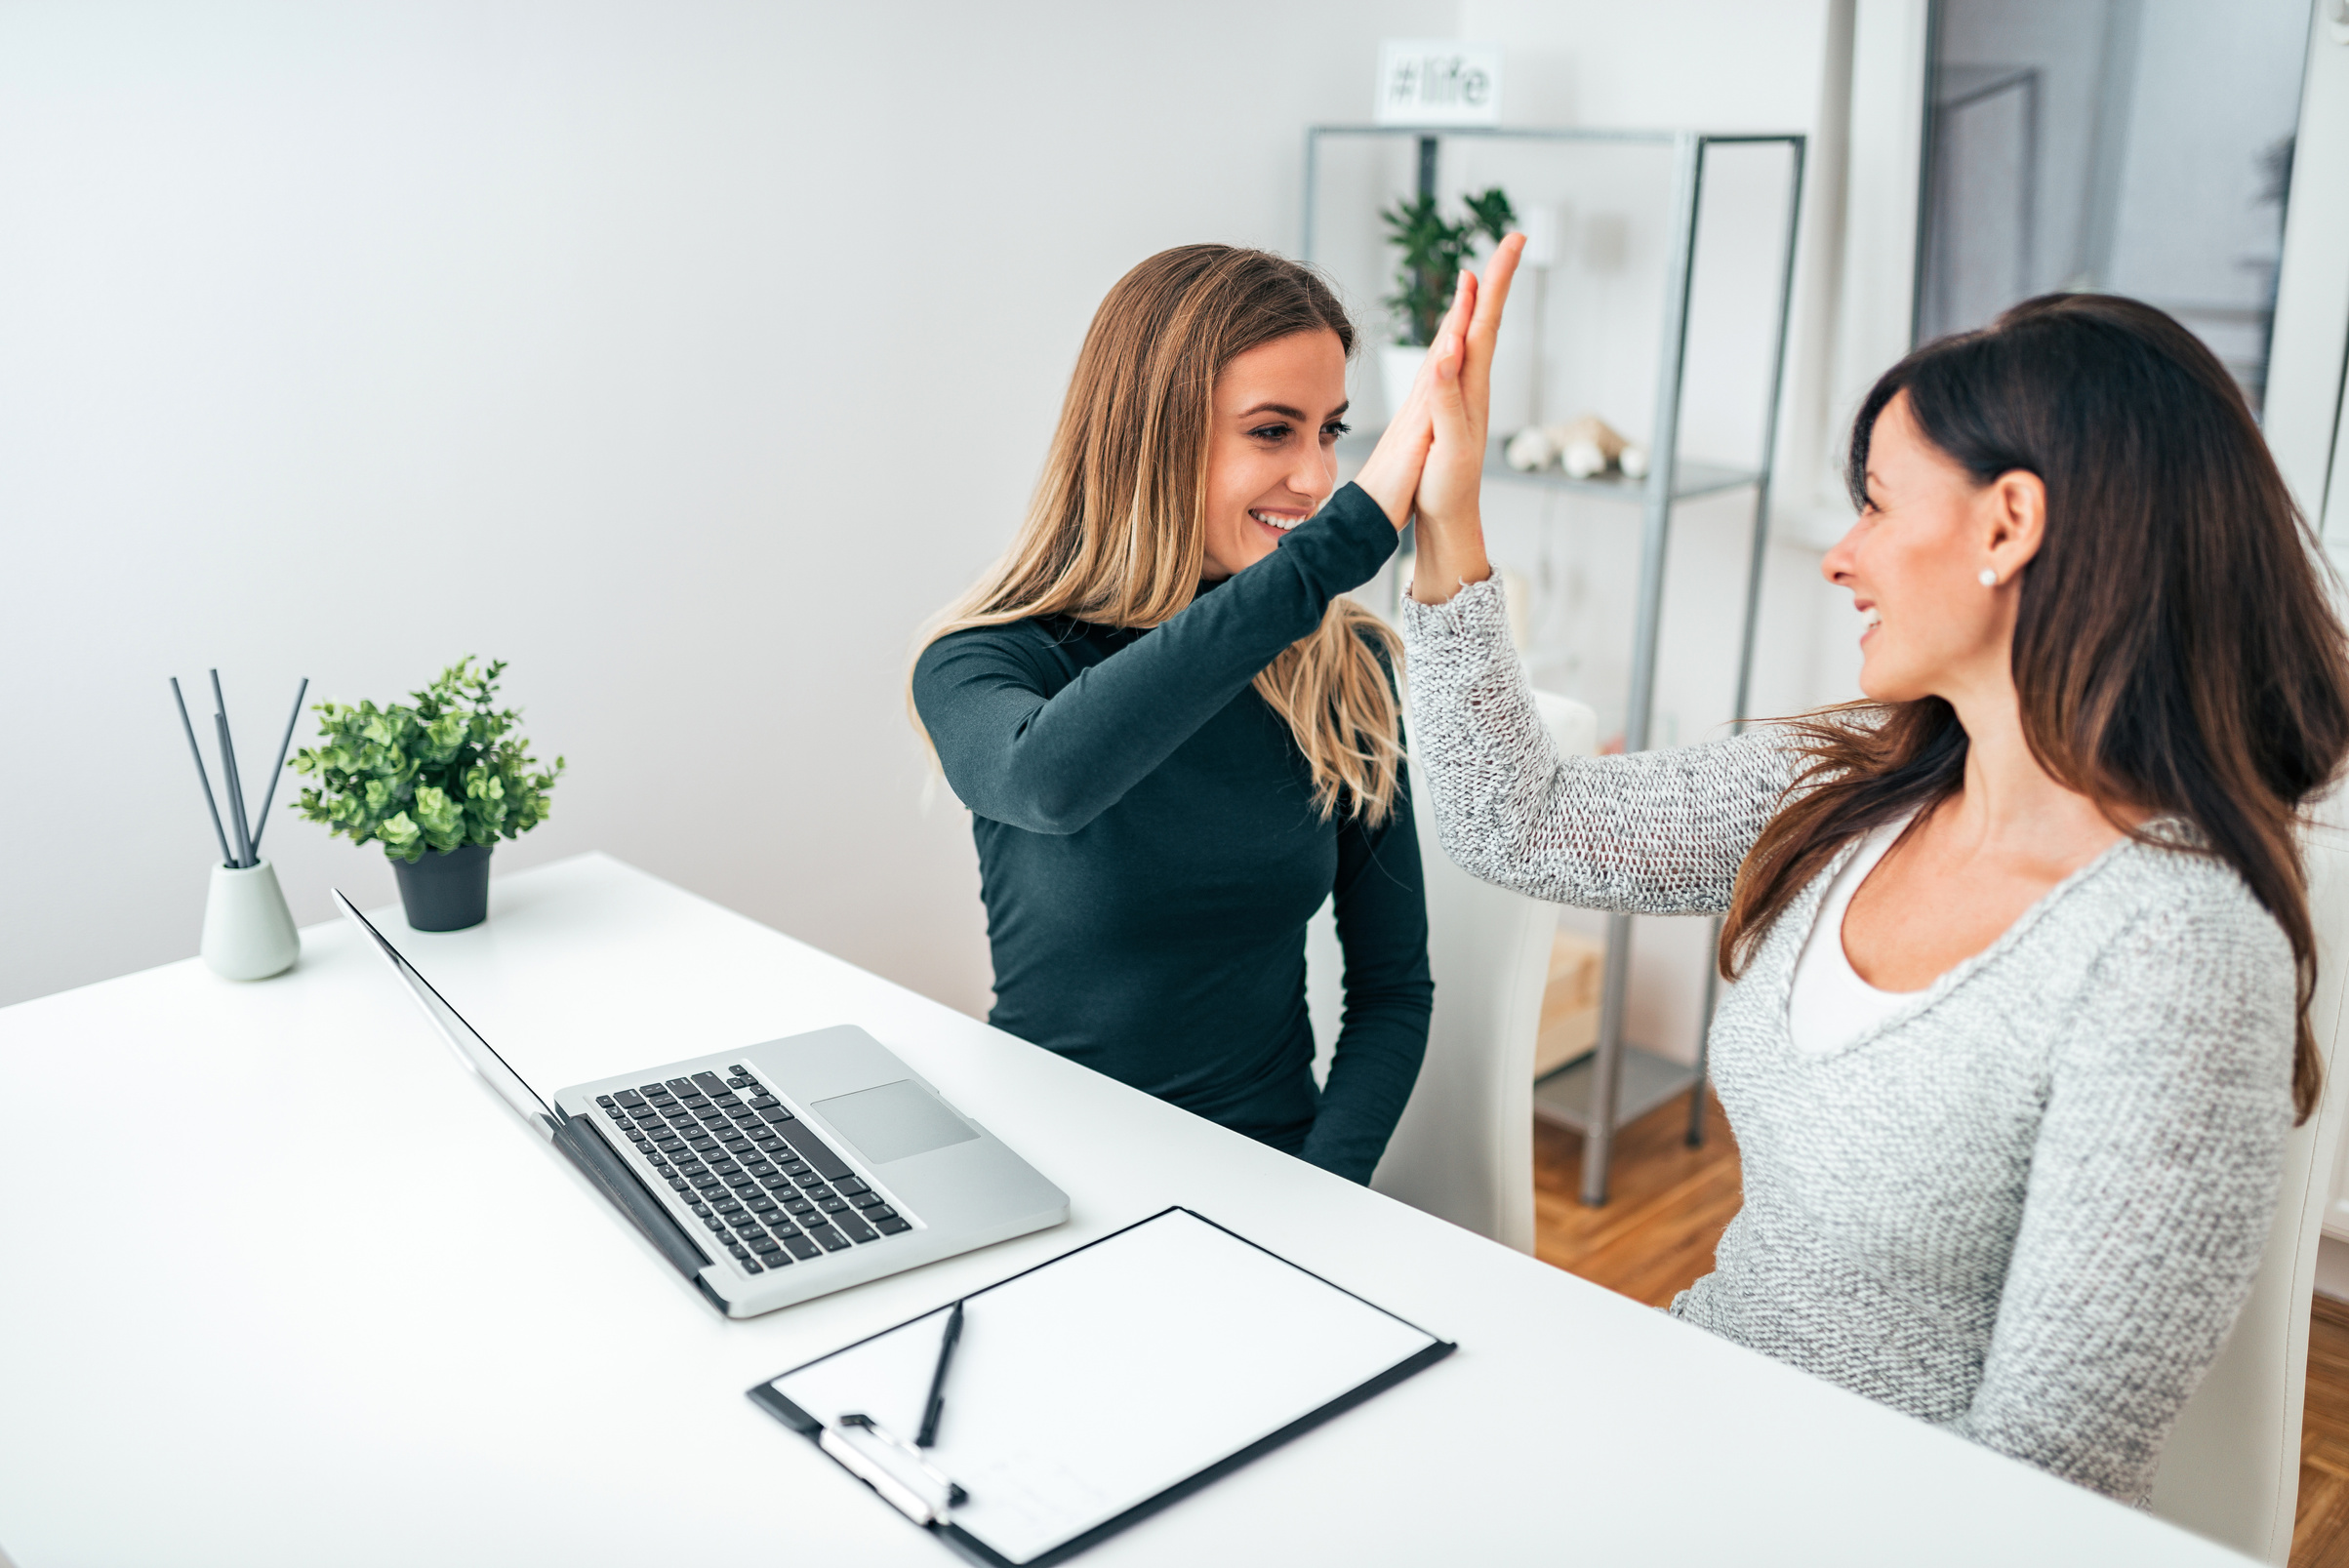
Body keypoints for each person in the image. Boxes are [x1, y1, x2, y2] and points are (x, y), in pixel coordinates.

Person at [1398, 265, 2349, 1500]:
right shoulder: (1859, 780)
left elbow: (2039, 1475)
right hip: (1684, 1434)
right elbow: (1517, 825)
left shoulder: (2176, 950)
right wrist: (1449, 511)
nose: (1839, 556)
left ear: (2010, 524)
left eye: (1877, 506)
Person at [911, 245, 1484, 1183]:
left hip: (1266, 1171)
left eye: (1331, 432)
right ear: (1151, 434)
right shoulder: (990, 656)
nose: (1314, 478)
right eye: (1272, 431)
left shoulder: (1348, 668)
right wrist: (1354, 536)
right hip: (1039, 1166)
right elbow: (1044, 783)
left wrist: (1316, 1197)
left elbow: (1393, 987)